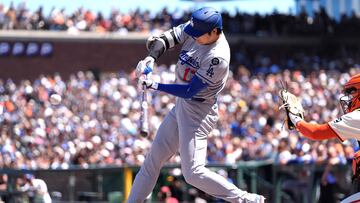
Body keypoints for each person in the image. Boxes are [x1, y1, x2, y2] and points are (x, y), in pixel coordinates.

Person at [127, 7, 265, 203]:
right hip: (182, 106)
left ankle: (245, 199)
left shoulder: (219, 57)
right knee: (152, 160)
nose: (194, 36)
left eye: (199, 34)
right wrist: (150, 58)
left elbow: (190, 91)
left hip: (199, 111)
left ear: (215, 32)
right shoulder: (198, 28)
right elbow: (164, 40)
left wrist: (155, 85)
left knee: (192, 172)